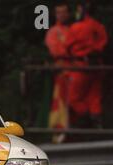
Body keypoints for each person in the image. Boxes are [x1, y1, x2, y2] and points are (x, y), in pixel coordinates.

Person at [65, 0, 108, 128]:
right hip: (96, 66)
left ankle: (87, 120)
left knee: (73, 98)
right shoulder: (98, 26)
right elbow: (103, 44)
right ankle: (97, 125)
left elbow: (67, 47)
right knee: (94, 97)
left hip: (81, 66)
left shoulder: (76, 27)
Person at [45, 2, 72, 142]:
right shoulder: (54, 32)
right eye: (58, 12)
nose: (61, 15)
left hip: (74, 71)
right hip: (62, 72)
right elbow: (56, 50)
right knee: (60, 102)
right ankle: (59, 131)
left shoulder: (72, 29)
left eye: (64, 12)